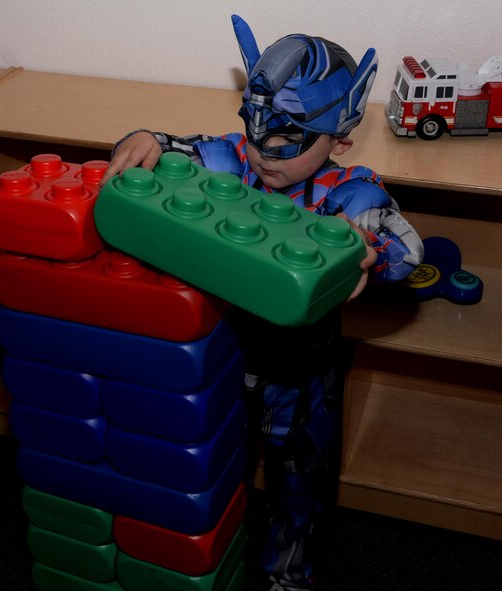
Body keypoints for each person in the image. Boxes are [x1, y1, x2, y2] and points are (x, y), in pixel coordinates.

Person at [101, 15, 423, 591]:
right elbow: (181, 153)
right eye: (252, 131)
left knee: (301, 479)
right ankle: (209, 556)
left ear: (339, 141)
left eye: (284, 141)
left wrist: (366, 247)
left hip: (302, 373)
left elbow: (403, 244)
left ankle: (290, 573)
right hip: (221, 355)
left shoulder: (345, 192)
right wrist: (149, 140)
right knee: (214, 463)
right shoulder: (233, 161)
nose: (261, 152)